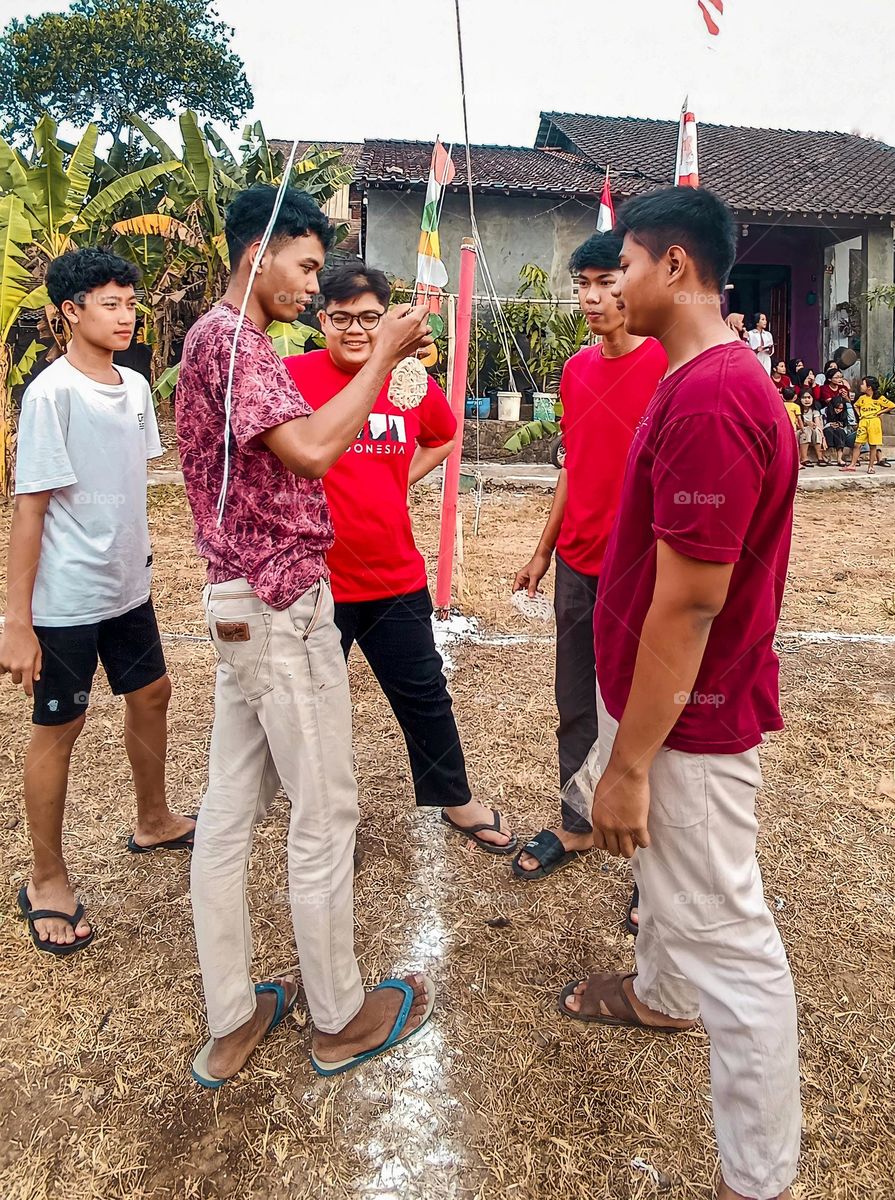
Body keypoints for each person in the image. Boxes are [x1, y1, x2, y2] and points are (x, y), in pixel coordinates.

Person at [559, 186, 801, 1200]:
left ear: (674, 270)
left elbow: (693, 603)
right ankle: (658, 995)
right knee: (672, 893)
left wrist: (629, 763)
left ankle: (760, 1177)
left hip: (688, 726)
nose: (611, 286)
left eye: (627, 267)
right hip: (663, 706)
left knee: (731, 944)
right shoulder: (692, 374)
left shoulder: (711, 397)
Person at [176, 185, 435, 1088]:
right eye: (308, 266)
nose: (312, 286)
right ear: (260, 250)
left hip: (243, 603)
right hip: (279, 607)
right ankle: (337, 1016)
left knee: (229, 810)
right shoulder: (233, 339)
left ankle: (232, 1016)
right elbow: (315, 450)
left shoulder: (220, 339)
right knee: (324, 812)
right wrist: (387, 355)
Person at [0, 248, 195, 957]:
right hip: (67, 602)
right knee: (61, 727)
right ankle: (46, 876)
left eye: (129, 301)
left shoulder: (136, 387)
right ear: (70, 312)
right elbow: (31, 511)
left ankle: (153, 816)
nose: (124, 314)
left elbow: (126, 485)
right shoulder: (52, 394)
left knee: (153, 694)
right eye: (107, 303)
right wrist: (16, 621)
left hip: (127, 590)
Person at [284, 261, 515, 854]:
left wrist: (397, 479)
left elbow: (445, 433)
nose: (355, 330)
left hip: (392, 574)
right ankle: (324, 817)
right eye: (341, 318)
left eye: (368, 318)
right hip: (315, 581)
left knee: (423, 691)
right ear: (321, 319)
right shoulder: (292, 376)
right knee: (310, 707)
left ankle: (455, 798)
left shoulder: (409, 380)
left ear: (385, 319)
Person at [510, 232, 667, 928]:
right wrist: (544, 551)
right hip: (577, 565)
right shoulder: (575, 371)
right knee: (574, 700)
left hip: (643, 572)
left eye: (607, 281)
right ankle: (575, 821)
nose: (594, 298)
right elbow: (574, 467)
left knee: (648, 716)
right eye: (583, 284)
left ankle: (656, 866)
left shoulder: (668, 363)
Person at [841, 375, 895, 474]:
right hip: (863, 422)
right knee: (857, 444)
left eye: (863, 384)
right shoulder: (862, 398)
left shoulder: (879, 398)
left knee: (873, 445)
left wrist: (880, 412)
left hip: (874, 422)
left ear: (869, 387)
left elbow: (892, 405)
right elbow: (856, 406)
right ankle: (852, 465)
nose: (861, 386)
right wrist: (860, 415)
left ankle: (871, 467)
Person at [822, 393, 855, 465]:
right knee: (829, 431)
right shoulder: (824, 411)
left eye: (840, 409)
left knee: (840, 431)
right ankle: (827, 455)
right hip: (827, 429)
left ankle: (839, 458)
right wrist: (830, 424)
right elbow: (822, 424)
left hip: (840, 430)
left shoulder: (845, 413)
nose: (838, 410)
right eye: (836, 408)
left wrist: (840, 425)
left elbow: (848, 425)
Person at [799, 387, 827, 466]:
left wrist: (823, 439)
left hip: (812, 435)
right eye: (804, 398)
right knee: (806, 430)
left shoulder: (814, 411)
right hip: (800, 433)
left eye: (809, 397)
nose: (807, 400)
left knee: (817, 430)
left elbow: (818, 426)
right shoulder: (797, 409)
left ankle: (820, 458)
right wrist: (806, 423)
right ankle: (804, 458)